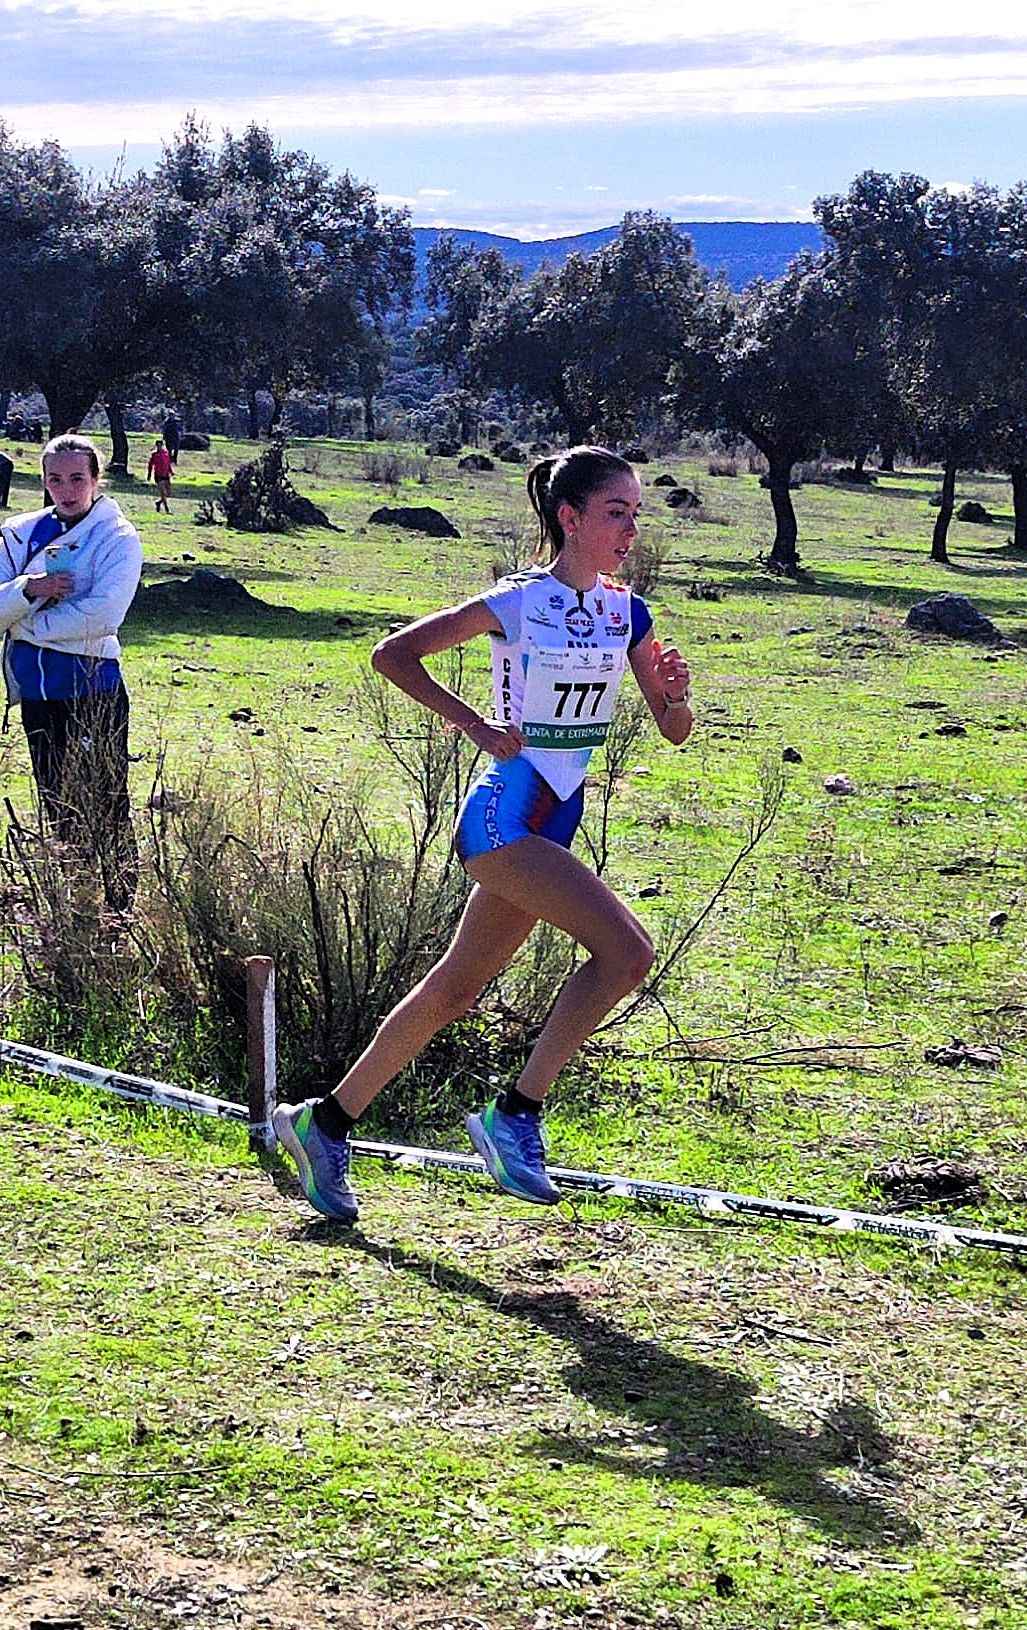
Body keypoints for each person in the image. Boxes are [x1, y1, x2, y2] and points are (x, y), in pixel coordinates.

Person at [273, 446, 694, 1222]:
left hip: (554, 819)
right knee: (627, 951)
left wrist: (672, 699)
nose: (631, 528)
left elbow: (672, 731)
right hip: (503, 818)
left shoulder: (627, 611)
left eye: (636, 513)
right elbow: (391, 654)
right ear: (569, 518)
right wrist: (472, 723)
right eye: (615, 512)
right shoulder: (516, 600)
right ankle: (515, 1114)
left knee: (457, 988)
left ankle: (322, 1123)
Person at [0, 433, 143, 909]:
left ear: (96, 479)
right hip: (38, 691)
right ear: (43, 480)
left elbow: (102, 616)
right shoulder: (19, 533)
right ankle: (75, 909)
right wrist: (29, 588)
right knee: (56, 800)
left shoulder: (117, 537)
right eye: (55, 478)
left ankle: (121, 910)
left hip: (93, 690)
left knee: (105, 799)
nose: (66, 489)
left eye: (77, 478)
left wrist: (24, 624)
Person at [147, 437, 173, 512]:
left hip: (166, 475)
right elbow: (150, 465)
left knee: (168, 493)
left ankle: (158, 502)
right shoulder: (154, 455)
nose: (159, 447)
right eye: (157, 445)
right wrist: (149, 474)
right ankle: (167, 509)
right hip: (158, 475)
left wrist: (170, 471)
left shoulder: (166, 454)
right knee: (163, 492)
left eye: (160, 445)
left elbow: (168, 464)